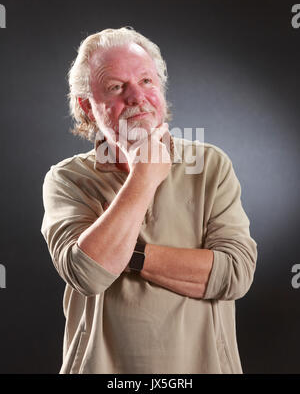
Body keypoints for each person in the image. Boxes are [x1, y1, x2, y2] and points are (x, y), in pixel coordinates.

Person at [41, 26, 257, 374]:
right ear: (86, 105)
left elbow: (234, 273)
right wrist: (145, 176)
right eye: (116, 87)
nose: (137, 97)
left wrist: (125, 254)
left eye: (146, 81)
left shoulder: (211, 166)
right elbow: (86, 273)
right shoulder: (67, 179)